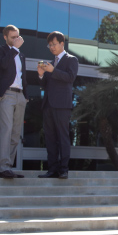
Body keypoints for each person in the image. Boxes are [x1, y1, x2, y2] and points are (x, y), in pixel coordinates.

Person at [37, 31, 78, 179]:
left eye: (54, 44)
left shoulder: (71, 60)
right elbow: (45, 84)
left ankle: (63, 170)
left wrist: (53, 70)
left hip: (62, 105)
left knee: (63, 137)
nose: (52, 47)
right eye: (50, 45)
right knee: (50, 138)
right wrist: (41, 74)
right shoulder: (50, 62)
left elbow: (70, 77)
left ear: (62, 43)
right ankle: (52, 169)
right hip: (48, 104)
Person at [0, 25, 27, 179]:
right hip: (6, 94)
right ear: (5, 37)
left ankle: (9, 167)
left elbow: (22, 76)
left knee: (15, 133)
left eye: (18, 36)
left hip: (20, 96)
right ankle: (3, 167)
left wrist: (25, 95)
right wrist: (14, 49)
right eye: (13, 37)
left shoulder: (21, 55)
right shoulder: (0, 50)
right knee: (6, 130)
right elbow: (2, 65)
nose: (16, 39)